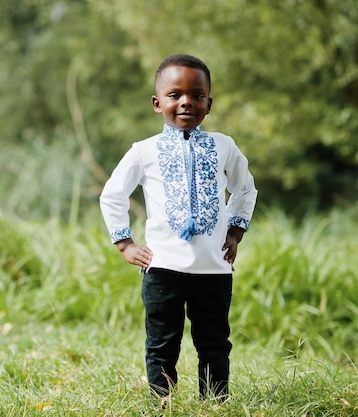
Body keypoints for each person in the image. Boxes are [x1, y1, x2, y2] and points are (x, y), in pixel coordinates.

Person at [99, 54, 257, 400]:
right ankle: (162, 402)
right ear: (158, 103)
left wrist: (235, 231)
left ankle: (215, 402)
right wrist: (125, 244)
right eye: (175, 95)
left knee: (214, 341)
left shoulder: (224, 146)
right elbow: (112, 195)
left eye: (196, 95)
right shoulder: (144, 151)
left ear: (208, 103)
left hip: (214, 269)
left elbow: (245, 189)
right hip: (162, 269)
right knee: (162, 342)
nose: (186, 102)